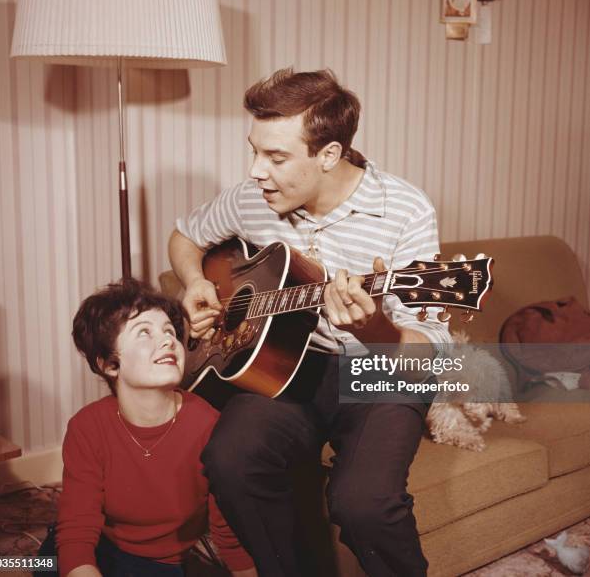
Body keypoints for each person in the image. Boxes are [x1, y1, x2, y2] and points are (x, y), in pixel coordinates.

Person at [168, 68, 452, 577]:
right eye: (254, 150)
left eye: (276, 158)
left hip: (380, 373)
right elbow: (185, 236)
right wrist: (194, 282)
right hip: (283, 370)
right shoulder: (251, 198)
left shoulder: (405, 209)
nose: (256, 171)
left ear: (329, 154)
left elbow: (428, 349)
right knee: (231, 462)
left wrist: (374, 330)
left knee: (362, 504)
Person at [42, 278, 256, 577]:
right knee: (20, 564)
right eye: (145, 332)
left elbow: (227, 533)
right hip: (96, 547)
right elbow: (77, 530)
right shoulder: (87, 426)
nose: (168, 340)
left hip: (158, 566)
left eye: (170, 331)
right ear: (110, 365)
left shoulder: (208, 425)